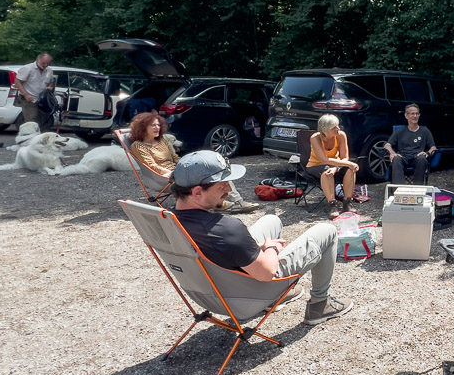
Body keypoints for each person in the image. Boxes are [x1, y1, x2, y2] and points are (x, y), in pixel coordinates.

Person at [172, 150, 352, 326]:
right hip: (246, 296)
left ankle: (277, 299)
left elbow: (216, 248)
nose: (229, 188)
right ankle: (319, 305)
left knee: (271, 220)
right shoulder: (227, 229)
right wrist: (271, 248)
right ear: (197, 192)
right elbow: (267, 272)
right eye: (222, 184)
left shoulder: (169, 221)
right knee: (326, 231)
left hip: (208, 294)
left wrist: (254, 246)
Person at [129, 111, 259, 213]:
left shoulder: (162, 140)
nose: (157, 127)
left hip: (178, 171)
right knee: (208, 178)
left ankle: (236, 202)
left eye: (158, 124)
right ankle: (222, 204)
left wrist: (187, 166)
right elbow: (152, 167)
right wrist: (175, 173)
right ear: (143, 127)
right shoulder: (138, 146)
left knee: (219, 172)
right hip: (164, 177)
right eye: (153, 125)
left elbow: (175, 158)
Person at [307, 114, 360, 218]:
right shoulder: (315, 138)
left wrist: (337, 168)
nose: (338, 129)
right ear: (325, 129)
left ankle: (347, 202)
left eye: (338, 125)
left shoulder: (341, 135)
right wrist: (348, 163)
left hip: (335, 165)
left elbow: (345, 158)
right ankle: (331, 204)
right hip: (316, 165)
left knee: (350, 169)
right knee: (327, 171)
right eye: (334, 127)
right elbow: (324, 160)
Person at [384, 104, 437, 185]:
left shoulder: (425, 131)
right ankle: (399, 190)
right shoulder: (400, 131)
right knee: (396, 159)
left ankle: (417, 188)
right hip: (403, 157)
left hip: (417, 157)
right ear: (406, 115)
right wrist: (392, 153)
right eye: (412, 114)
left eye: (417, 113)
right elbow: (387, 145)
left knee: (422, 159)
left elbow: (433, 147)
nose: (415, 116)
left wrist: (427, 153)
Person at [15, 53, 55, 131]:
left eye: (48, 63)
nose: (46, 65)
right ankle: (30, 139)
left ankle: (42, 139)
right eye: (44, 63)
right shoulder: (28, 68)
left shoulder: (49, 70)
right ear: (38, 59)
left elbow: (51, 81)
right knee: (31, 121)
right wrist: (26, 94)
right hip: (29, 98)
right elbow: (17, 82)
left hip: (43, 100)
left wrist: (50, 86)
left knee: (44, 120)